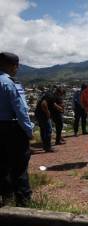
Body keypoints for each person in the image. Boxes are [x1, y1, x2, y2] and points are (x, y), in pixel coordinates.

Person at [0, 52, 33, 206]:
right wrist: (29, 130)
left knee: (3, 165)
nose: (17, 68)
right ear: (11, 65)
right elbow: (21, 110)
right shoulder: (9, 83)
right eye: (16, 65)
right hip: (12, 129)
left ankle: (6, 201)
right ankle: (24, 206)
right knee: (20, 167)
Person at [35, 87, 64, 151]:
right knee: (48, 129)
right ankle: (48, 147)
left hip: (38, 113)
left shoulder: (50, 95)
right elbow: (44, 104)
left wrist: (59, 108)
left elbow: (53, 104)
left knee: (43, 129)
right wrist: (47, 112)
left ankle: (45, 145)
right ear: (58, 93)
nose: (60, 96)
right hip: (43, 114)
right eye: (60, 94)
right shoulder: (51, 96)